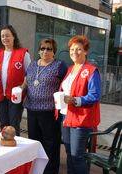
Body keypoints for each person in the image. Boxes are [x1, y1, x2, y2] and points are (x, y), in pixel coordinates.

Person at [23, 38, 67, 174]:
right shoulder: (32, 65)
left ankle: (50, 171)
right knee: (35, 142)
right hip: (32, 109)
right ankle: (37, 170)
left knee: (51, 144)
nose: (45, 51)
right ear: (39, 50)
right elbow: (26, 81)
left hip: (49, 112)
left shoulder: (59, 65)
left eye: (49, 48)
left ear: (54, 52)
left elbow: (66, 85)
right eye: (42, 48)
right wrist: (19, 89)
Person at [60, 35, 101, 174]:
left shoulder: (91, 70)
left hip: (81, 120)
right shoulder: (70, 69)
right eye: (72, 49)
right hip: (66, 117)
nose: (74, 52)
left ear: (85, 51)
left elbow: (94, 95)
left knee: (77, 157)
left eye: (78, 49)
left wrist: (75, 100)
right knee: (69, 155)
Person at [0, 25, 31, 136]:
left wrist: (22, 87)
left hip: (16, 95)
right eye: (2, 36)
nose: (5, 38)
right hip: (0, 94)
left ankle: (15, 148)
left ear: (14, 37)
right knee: (3, 124)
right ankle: (5, 146)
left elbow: (29, 74)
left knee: (14, 125)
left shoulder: (23, 54)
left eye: (8, 35)